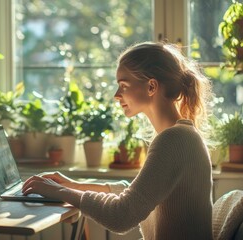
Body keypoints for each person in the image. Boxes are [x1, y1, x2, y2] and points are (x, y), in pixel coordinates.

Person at [22, 41, 213, 239]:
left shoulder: (174, 140)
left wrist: (60, 192)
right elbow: (136, 194)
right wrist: (73, 186)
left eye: (123, 85)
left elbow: (122, 216)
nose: (116, 95)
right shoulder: (177, 135)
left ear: (151, 86)